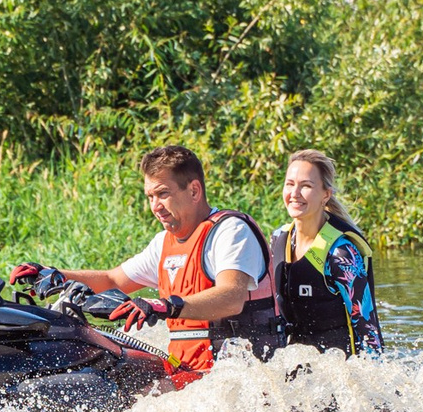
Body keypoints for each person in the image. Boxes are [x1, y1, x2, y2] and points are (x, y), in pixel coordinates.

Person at [16, 144, 281, 385]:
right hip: (191, 375)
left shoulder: (231, 231)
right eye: (150, 196)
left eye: (163, 194)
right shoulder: (164, 243)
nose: (155, 206)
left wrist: (165, 306)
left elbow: (231, 297)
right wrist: (54, 275)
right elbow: (113, 280)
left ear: (194, 190)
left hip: (240, 378)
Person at [271, 149, 383, 356]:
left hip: (339, 372)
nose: (294, 194)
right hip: (293, 365)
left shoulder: (341, 254)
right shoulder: (278, 239)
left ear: (326, 195)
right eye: (290, 184)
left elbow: (369, 330)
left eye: (306, 186)